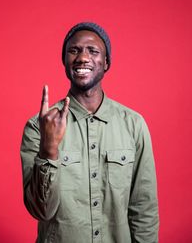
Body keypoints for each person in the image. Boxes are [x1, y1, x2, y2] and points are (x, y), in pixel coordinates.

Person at [21, 22, 159, 243]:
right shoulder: (38, 127)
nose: (82, 58)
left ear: (106, 63)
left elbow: (144, 208)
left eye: (93, 51)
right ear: (65, 62)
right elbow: (41, 210)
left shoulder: (134, 124)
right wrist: (49, 149)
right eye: (74, 50)